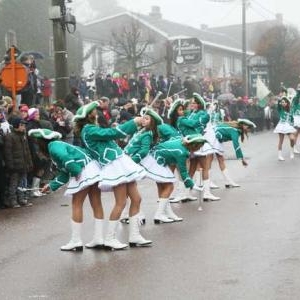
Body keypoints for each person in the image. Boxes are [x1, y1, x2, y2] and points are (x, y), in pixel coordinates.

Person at [73, 101, 152, 249]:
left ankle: (134, 236)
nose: (97, 112)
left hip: (120, 161)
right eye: (94, 111)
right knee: (121, 202)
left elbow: (109, 134)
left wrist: (130, 125)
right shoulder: (88, 130)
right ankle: (110, 238)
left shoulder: (91, 128)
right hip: (114, 165)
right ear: (89, 115)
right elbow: (110, 134)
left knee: (137, 199)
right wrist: (133, 122)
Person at [29, 128, 103, 252]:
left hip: (83, 170)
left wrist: (76, 171)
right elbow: (64, 173)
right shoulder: (59, 144)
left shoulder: (53, 146)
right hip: (92, 168)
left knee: (76, 204)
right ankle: (99, 238)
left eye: (37, 142)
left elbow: (66, 159)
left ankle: (76, 241)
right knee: (96, 203)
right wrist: (51, 186)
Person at [140, 134, 206, 223]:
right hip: (156, 160)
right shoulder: (182, 152)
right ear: (194, 145)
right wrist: (193, 185)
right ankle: (159, 215)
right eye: (200, 146)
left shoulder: (180, 141)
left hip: (155, 158)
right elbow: (183, 172)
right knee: (169, 186)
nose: (200, 148)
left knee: (162, 187)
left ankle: (168, 213)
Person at [4, 117, 33, 208]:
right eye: (22, 125)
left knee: (22, 183)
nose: (24, 127)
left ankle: (21, 199)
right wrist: (11, 165)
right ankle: (12, 200)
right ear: (16, 125)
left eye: (24, 125)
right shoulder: (10, 136)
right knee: (14, 184)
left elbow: (27, 151)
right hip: (15, 166)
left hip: (23, 165)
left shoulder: (23, 135)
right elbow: (7, 153)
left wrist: (29, 163)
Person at [273, 96, 296, 161]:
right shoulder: (280, 109)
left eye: (284, 102)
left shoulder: (290, 110)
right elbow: (278, 104)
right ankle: (279, 156)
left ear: (287, 103)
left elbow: (292, 119)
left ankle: (291, 151)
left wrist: (292, 125)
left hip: (288, 126)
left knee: (292, 139)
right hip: (281, 126)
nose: (283, 103)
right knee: (281, 141)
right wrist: (280, 99)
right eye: (282, 102)